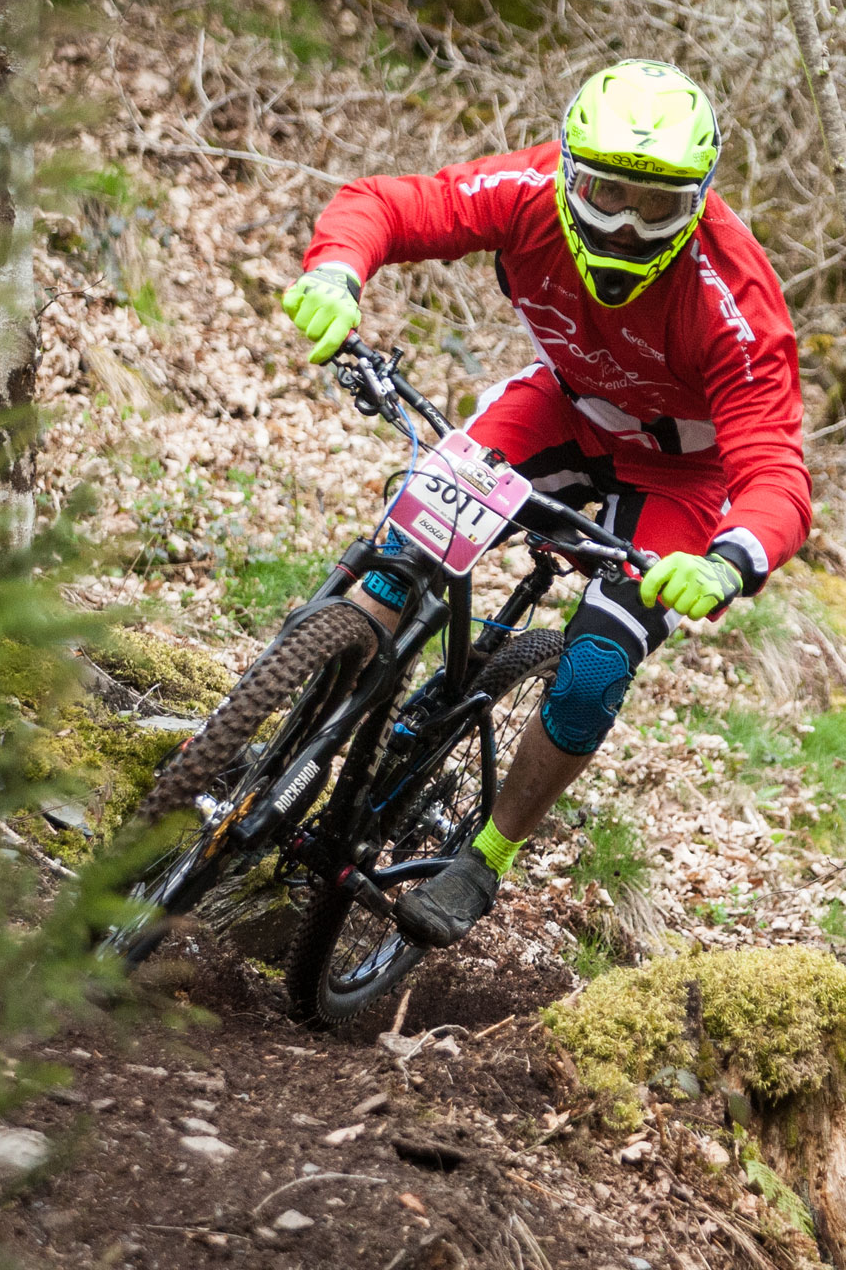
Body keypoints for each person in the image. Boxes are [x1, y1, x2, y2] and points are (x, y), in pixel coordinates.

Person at [279, 59, 813, 948]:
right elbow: (390, 203)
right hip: (559, 410)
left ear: (701, 201)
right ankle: (282, 727)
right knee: (401, 552)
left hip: (680, 479)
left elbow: (776, 473)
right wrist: (338, 271)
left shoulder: (735, 301)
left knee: (596, 667)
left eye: (657, 206)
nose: (624, 221)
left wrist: (728, 560)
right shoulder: (526, 190)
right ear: (568, 168)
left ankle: (485, 855)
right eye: (605, 190)